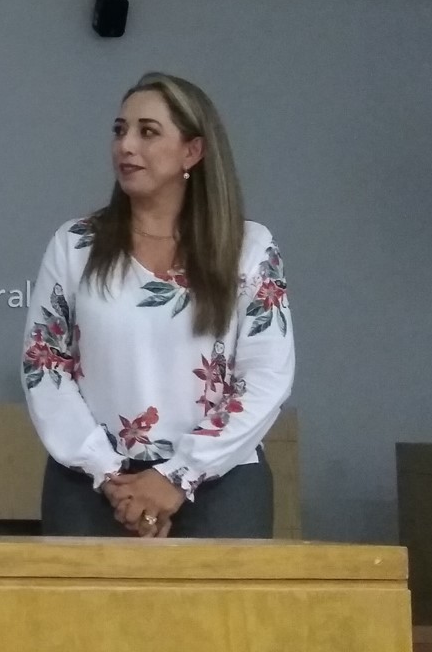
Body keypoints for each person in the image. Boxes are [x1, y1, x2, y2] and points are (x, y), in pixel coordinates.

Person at [20, 72, 295, 538]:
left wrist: (178, 475)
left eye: (147, 132)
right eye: (120, 130)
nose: (126, 145)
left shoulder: (248, 248)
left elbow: (267, 376)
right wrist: (109, 474)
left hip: (220, 483)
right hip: (94, 486)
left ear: (192, 151)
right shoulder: (76, 244)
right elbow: (43, 366)